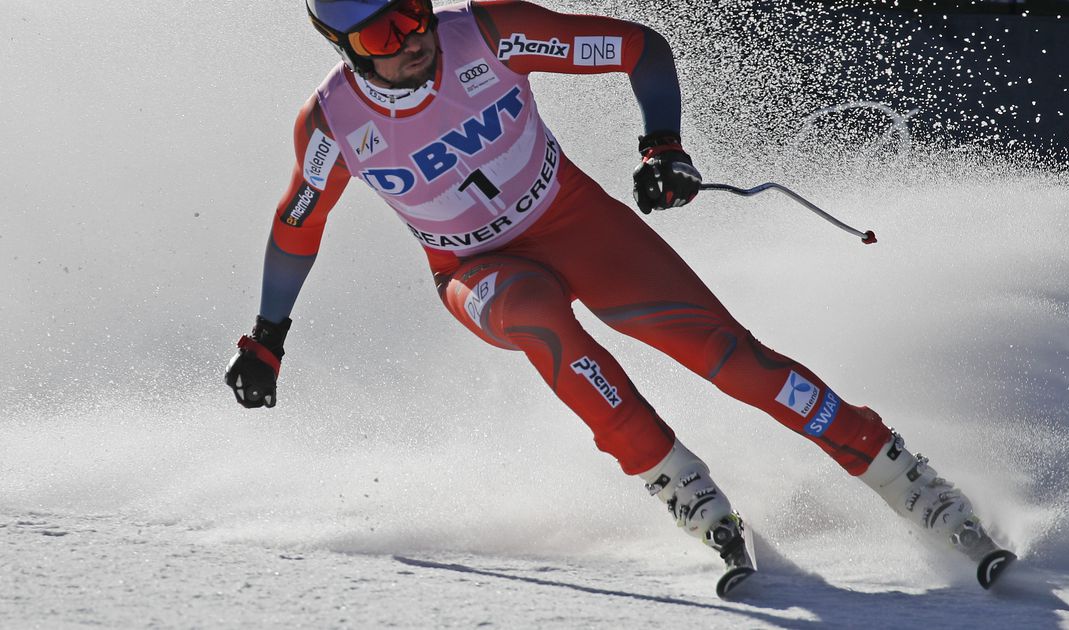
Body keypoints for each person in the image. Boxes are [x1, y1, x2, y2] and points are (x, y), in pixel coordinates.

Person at [226, 0, 1000, 595]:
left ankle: (901, 475)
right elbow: (299, 223)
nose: (410, 39)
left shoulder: (490, 33)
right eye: (380, 37)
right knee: (534, 315)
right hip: (474, 268)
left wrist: (663, 143)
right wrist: (268, 335)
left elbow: (639, 48)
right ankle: (681, 485)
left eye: (412, 13)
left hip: (574, 220)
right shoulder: (333, 121)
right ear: (343, 50)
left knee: (732, 359)